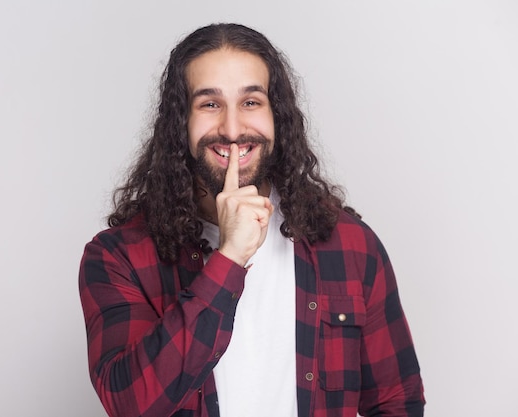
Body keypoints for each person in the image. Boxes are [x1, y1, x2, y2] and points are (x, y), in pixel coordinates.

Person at [79, 23, 425, 417]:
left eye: (250, 102)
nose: (231, 129)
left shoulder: (349, 244)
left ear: (276, 115)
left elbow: (397, 401)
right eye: (209, 104)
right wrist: (228, 259)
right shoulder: (117, 257)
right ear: (180, 124)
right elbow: (131, 404)